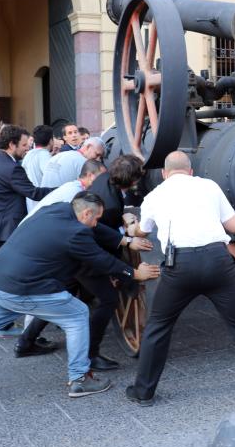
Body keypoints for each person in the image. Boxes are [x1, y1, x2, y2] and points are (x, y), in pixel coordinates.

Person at [0, 192, 160, 411]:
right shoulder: (76, 233)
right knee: (77, 314)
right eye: (95, 219)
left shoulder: (56, 208)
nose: (96, 224)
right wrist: (133, 273)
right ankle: (79, 379)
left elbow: (97, 230)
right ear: (85, 214)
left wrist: (124, 240)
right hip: (23, 290)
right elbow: (100, 260)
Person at [126, 151, 235, 414]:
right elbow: (234, 227)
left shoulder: (154, 196)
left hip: (179, 265)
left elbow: (143, 231)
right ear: (191, 171)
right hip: (218, 261)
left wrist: (132, 228)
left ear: (164, 173)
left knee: (158, 327)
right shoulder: (210, 186)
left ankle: (143, 392)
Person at [17, 154, 144, 366]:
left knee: (61, 294)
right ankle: (90, 355)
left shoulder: (103, 178)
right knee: (109, 299)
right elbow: (101, 239)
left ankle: (25, 342)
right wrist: (121, 271)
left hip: (71, 249)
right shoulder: (111, 205)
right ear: (132, 181)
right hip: (83, 255)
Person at [0, 125, 55, 269]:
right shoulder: (12, 168)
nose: (27, 148)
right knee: (4, 271)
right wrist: (62, 189)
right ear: (12, 144)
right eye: (24, 145)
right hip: (3, 232)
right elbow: (34, 193)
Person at [22, 159, 105, 223]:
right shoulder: (75, 192)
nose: (104, 181)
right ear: (90, 176)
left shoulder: (74, 187)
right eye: (102, 177)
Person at [40, 137, 105, 188]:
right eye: (97, 154)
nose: (98, 159)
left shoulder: (61, 155)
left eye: (100, 157)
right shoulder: (83, 162)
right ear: (88, 147)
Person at [21, 125, 54, 211]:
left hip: (30, 202)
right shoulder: (45, 155)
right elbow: (51, 177)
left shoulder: (28, 154)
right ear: (51, 141)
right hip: (42, 203)